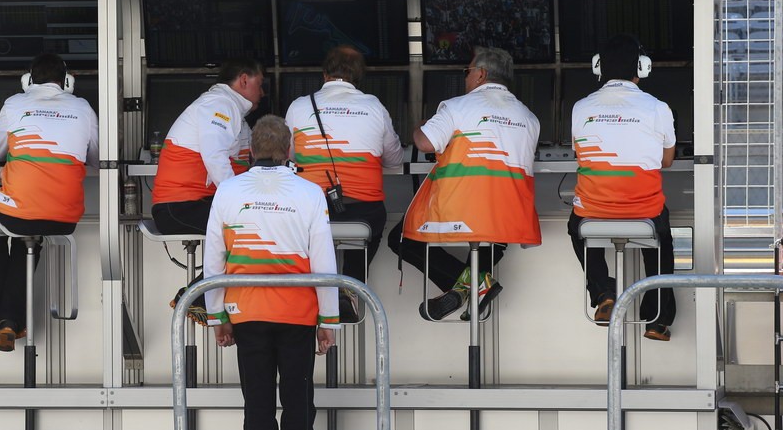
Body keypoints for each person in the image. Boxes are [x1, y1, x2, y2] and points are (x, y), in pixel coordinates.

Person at [203, 114, 338, 430]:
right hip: (298, 313)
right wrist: (328, 320)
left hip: (246, 310)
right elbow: (323, 261)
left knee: (258, 402)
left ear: (249, 151)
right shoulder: (310, 192)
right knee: (298, 402)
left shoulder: (227, 190)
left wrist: (218, 317)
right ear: (289, 150)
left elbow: (215, 259)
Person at [387, 46, 540, 321]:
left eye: (467, 71)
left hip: (461, 208)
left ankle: (463, 287)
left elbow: (425, 143)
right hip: (511, 216)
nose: (466, 77)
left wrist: (420, 125)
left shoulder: (456, 106)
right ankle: (473, 286)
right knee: (493, 238)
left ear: (480, 74)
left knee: (401, 241)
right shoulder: (530, 117)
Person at [0, 53, 97, 352]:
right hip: (65, 214)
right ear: (67, 82)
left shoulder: (16, 103)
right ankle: (9, 321)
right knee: (26, 238)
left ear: (27, 81)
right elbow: (97, 158)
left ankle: (2, 312)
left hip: (20, 210)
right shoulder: (82, 107)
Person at [568, 35, 677, 342]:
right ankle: (657, 319)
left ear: (598, 68)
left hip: (592, 214)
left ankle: (603, 291)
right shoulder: (658, 108)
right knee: (662, 241)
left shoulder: (580, 107)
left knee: (576, 228)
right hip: (645, 213)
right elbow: (666, 161)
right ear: (642, 68)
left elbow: (580, 154)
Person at [285, 46, 403, 301]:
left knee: (303, 240)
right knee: (372, 221)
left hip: (311, 213)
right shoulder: (374, 106)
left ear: (324, 74)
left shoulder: (299, 106)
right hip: (363, 211)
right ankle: (351, 286)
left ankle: (313, 296)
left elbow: (289, 156)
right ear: (358, 76)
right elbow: (394, 160)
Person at [151, 58, 264, 236]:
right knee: (260, 222)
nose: (263, 92)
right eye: (260, 84)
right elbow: (215, 158)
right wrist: (239, 201)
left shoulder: (231, 110)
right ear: (244, 80)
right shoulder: (219, 105)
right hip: (181, 208)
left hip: (195, 203)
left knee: (267, 214)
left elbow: (257, 158)